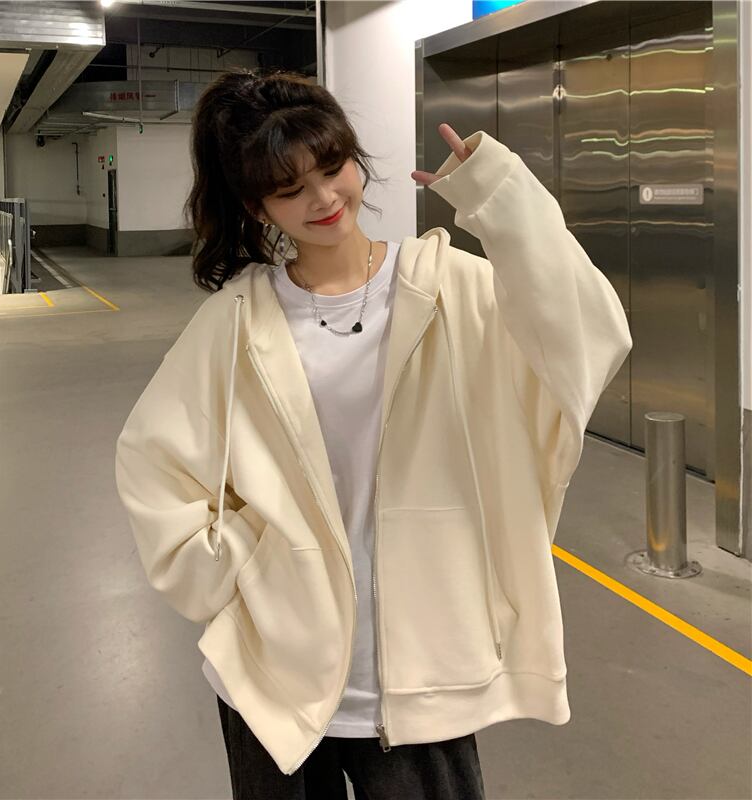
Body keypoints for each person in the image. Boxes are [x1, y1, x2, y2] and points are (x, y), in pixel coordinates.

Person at [115, 68, 632, 799]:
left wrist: (503, 200)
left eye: (333, 168)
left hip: (423, 672)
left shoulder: (449, 285)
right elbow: (153, 463)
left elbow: (590, 339)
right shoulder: (237, 319)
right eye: (290, 189)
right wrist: (243, 556)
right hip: (274, 679)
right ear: (256, 205)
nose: (324, 199)